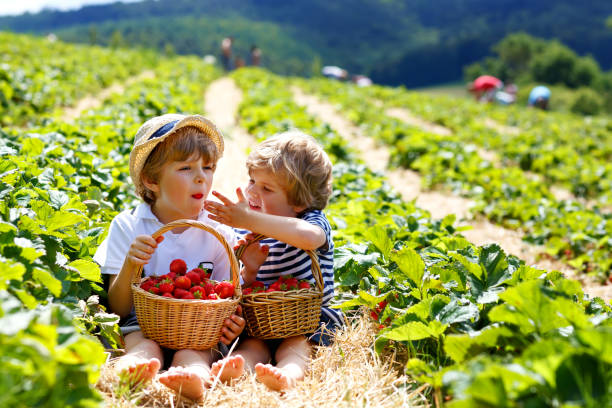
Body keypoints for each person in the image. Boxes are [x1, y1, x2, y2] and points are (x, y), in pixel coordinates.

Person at [93, 114, 248, 401]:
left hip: (198, 331)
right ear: (151, 180)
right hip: (142, 325)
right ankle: (133, 369)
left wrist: (232, 321)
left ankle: (194, 378)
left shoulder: (218, 233)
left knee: (195, 354)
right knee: (141, 345)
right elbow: (119, 307)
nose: (201, 176)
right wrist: (131, 264)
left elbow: (227, 297)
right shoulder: (128, 226)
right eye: (186, 168)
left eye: (208, 167)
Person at [203, 131, 345, 391]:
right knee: (251, 346)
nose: (252, 191)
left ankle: (289, 374)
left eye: (266, 188)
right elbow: (246, 285)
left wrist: (249, 220)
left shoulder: (311, 221)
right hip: (263, 322)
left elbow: (310, 238)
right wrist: (252, 268)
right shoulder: (251, 233)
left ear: (300, 202)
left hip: (306, 320)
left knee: (296, 345)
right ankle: (238, 369)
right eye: (252, 181)